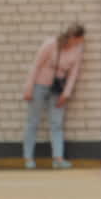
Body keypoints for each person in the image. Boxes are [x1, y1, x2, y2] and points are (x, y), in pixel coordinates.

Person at [21, 23, 85, 169]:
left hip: (58, 90)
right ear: (73, 37)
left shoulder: (78, 50)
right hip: (39, 85)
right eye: (79, 39)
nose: (80, 42)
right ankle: (28, 158)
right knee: (33, 122)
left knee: (56, 123)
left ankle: (58, 159)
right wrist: (28, 88)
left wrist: (66, 94)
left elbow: (73, 74)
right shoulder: (51, 44)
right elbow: (36, 65)